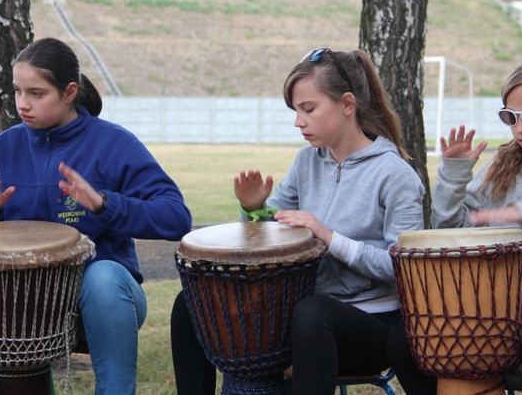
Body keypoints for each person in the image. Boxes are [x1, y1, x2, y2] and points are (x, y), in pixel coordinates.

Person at [0, 37, 192, 395]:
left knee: (102, 276)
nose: (23, 104)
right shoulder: (1, 149)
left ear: (69, 92)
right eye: (17, 91)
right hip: (13, 305)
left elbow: (176, 217)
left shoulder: (114, 144)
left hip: (97, 303)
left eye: (36, 93)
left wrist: (104, 204)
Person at [170, 47, 425, 395]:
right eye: (295, 111)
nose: (298, 121)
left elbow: (404, 269)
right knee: (190, 303)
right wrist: (255, 211)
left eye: (308, 109)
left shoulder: (395, 175)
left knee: (312, 312)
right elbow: (270, 234)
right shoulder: (307, 162)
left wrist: (329, 237)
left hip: (372, 323)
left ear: (347, 104)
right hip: (304, 313)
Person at [387, 57, 522, 395]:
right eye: (509, 117)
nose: (519, 128)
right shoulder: (500, 166)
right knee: (405, 337)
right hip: (500, 320)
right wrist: (453, 176)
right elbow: (450, 234)